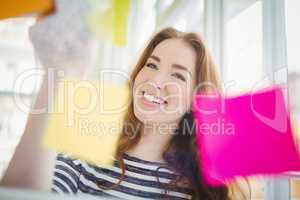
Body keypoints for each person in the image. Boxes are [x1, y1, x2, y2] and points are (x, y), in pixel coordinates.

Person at [51, 27, 246, 200]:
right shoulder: (83, 150)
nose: (155, 80)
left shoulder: (202, 189)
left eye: (177, 75)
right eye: (152, 65)